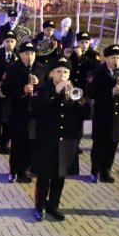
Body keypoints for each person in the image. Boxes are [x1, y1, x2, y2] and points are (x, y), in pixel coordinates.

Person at [29, 57, 89, 222]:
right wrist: (55, 93)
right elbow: (35, 107)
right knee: (44, 177)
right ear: (51, 74)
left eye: (66, 72)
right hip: (47, 140)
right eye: (59, 72)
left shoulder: (75, 90)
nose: (62, 75)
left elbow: (87, 113)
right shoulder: (41, 89)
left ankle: (53, 206)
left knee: (60, 177)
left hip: (67, 141)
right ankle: (39, 206)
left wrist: (76, 100)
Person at [86, 44, 119, 183]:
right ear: (106, 58)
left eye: (118, 57)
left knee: (113, 144)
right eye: (113, 57)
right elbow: (91, 92)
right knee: (99, 144)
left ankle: (106, 170)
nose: (116, 60)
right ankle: (95, 170)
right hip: (102, 113)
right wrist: (110, 92)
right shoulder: (97, 73)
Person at [0, 41, 45, 183]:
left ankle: (24, 170)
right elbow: (5, 90)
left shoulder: (41, 68)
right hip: (18, 111)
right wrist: (22, 90)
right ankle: (13, 171)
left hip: (34, 114)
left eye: (32, 53)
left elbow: (45, 90)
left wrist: (39, 84)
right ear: (20, 55)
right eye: (26, 53)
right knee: (17, 144)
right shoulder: (12, 68)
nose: (30, 56)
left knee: (30, 143)